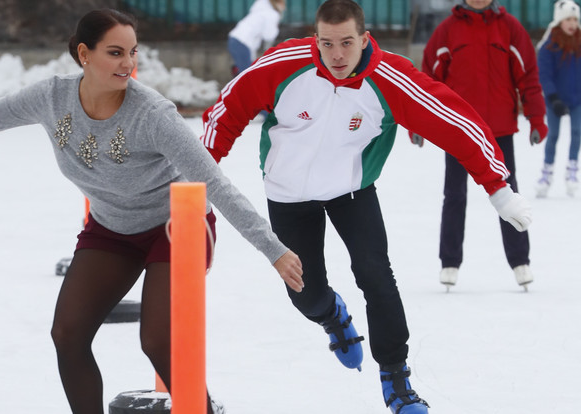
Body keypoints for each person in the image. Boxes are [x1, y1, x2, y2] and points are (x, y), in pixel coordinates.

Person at [0, 9, 305, 414]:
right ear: (83, 54)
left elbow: (216, 184)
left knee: (157, 342)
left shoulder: (154, 115)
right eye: (115, 52)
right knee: (67, 334)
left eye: (133, 52)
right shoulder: (51, 99)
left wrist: (274, 250)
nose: (128, 64)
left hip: (177, 228)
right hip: (111, 229)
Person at [200, 0, 532, 412]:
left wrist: (497, 187)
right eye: (326, 43)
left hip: (352, 190)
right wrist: (195, 185)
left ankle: (397, 379)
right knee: (306, 294)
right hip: (288, 192)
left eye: (346, 43)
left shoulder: (389, 77)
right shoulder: (283, 64)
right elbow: (225, 113)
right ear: (315, 39)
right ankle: (331, 317)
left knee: (376, 275)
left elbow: (454, 121)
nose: (336, 54)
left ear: (364, 37)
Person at [417, 0, 548, 290]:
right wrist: (419, 124)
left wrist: (537, 117)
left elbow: (528, 76)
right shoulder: (447, 31)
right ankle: (449, 262)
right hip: (460, 129)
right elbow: (427, 80)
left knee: (508, 194)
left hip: (498, 129)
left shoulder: (510, 28)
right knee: (454, 195)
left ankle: (520, 261)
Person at [535, 0, 581, 198]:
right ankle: (547, 171)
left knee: (577, 132)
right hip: (555, 99)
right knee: (553, 135)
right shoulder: (549, 46)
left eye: (574, 19)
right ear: (559, 21)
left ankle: (572, 170)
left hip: (577, 98)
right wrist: (553, 97)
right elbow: (545, 74)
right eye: (567, 19)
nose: (571, 23)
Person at [227, 0, 286, 77]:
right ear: (277, 3)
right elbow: (269, 35)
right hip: (242, 43)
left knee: (246, 72)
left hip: (234, 39)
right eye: (283, 3)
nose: (284, 7)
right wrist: (276, 26)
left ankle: (237, 72)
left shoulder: (260, 9)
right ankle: (239, 78)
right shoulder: (272, 14)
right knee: (247, 76)